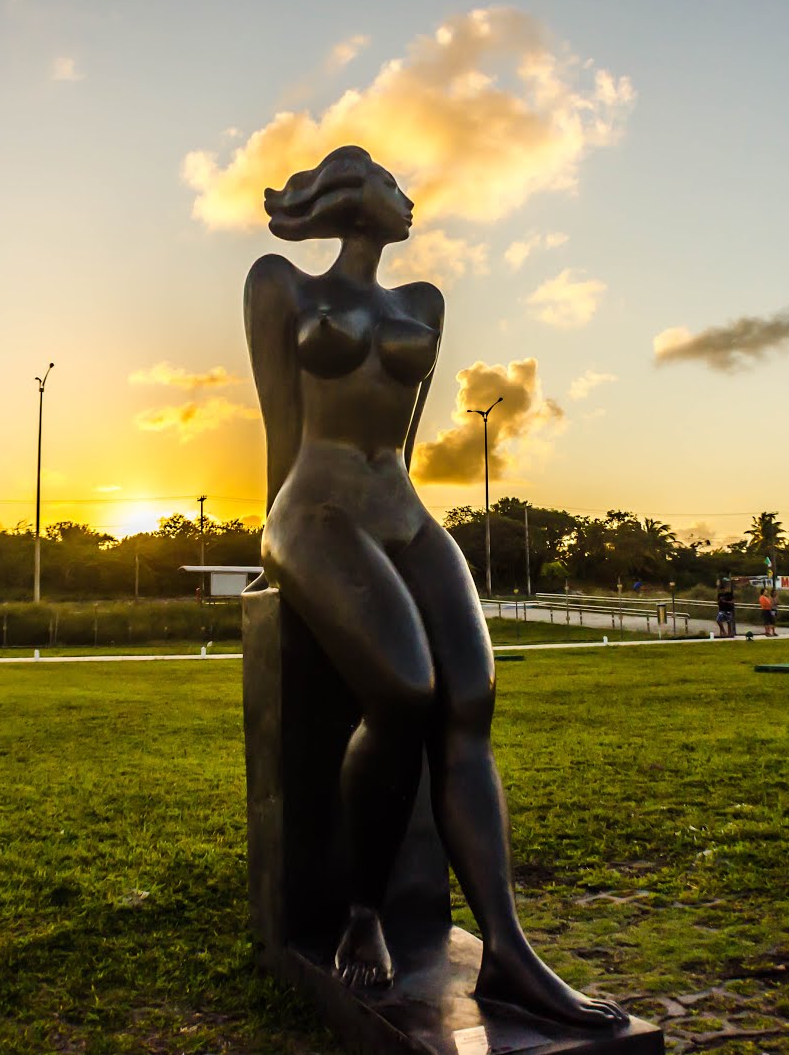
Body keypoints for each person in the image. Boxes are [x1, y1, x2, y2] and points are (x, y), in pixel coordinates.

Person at [247, 146, 625, 1026]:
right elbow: (280, 427)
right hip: (312, 507)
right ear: (351, 194)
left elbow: (406, 446)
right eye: (388, 181)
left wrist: (394, 551)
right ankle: (364, 913)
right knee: (405, 690)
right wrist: (288, 562)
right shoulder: (279, 285)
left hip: (400, 509)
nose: (406, 196)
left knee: (472, 697)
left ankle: (509, 952)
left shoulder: (424, 305)